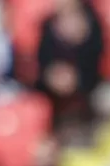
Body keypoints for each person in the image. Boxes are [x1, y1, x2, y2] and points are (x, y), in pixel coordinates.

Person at [36, 0, 103, 132]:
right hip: (52, 89)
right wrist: (52, 76)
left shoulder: (93, 21)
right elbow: (42, 60)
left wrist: (77, 78)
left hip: (88, 86)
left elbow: (99, 57)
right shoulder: (47, 24)